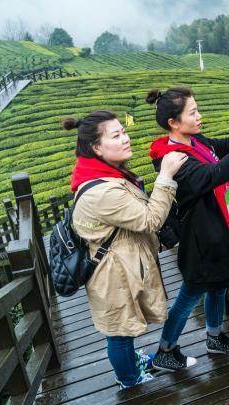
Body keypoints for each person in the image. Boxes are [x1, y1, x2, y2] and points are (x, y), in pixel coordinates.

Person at [146, 87, 229, 371]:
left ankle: (214, 337)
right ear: (173, 122)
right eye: (192, 112)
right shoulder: (175, 160)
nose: (199, 116)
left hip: (218, 231)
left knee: (217, 287)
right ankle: (165, 350)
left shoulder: (195, 141)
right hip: (200, 239)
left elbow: (227, 146)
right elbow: (216, 173)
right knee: (190, 294)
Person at [63, 110, 189, 389]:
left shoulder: (103, 175)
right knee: (119, 332)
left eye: (124, 131)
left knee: (123, 327)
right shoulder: (102, 192)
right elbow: (149, 220)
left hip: (119, 266)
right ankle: (129, 380)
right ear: (96, 148)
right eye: (116, 135)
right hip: (112, 275)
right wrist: (166, 176)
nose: (126, 138)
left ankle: (131, 365)